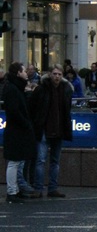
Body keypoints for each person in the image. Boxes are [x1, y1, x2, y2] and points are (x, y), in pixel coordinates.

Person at [29, 64, 74, 198]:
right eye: (54, 74)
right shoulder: (41, 89)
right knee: (40, 160)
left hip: (59, 130)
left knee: (55, 161)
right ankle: (38, 188)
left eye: (59, 74)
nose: (57, 77)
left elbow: (67, 111)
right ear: (49, 74)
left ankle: (52, 188)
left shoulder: (65, 90)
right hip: (44, 129)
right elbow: (32, 108)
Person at [3, 62, 37, 203]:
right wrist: (26, 123)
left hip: (18, 129)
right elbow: (15, 111)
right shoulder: (12, 88)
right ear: (18, 73)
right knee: (14, 162)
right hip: (16, 130)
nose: (26, 73)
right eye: (23, 71)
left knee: (18, 161)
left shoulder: (16, 87)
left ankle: (15, 190)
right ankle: (12, 191)